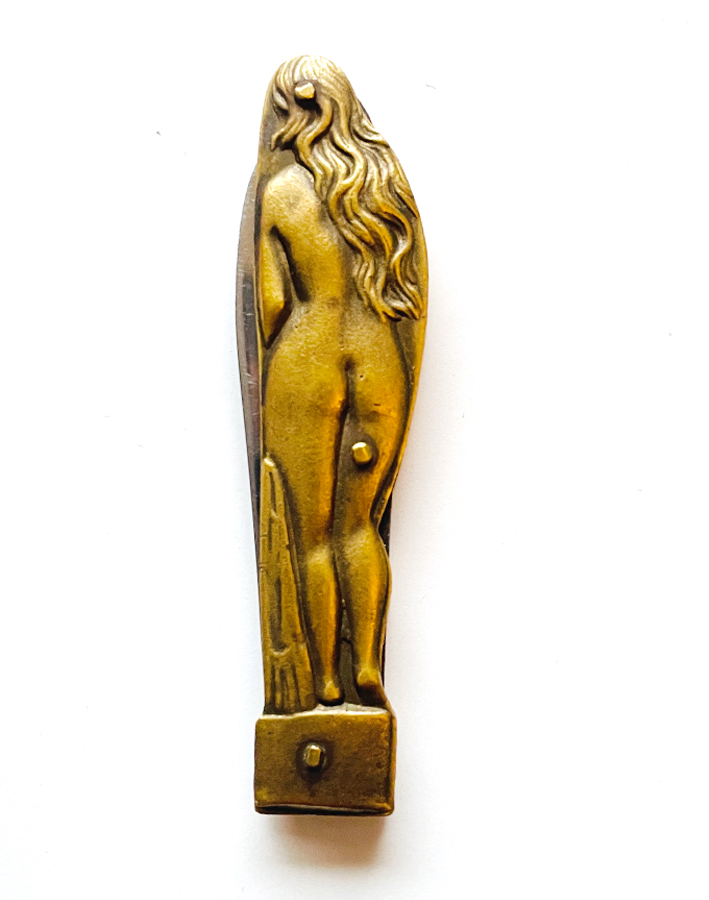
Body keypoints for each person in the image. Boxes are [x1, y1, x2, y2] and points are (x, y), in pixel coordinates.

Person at [254, 56, 427, 708]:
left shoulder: (280, 192)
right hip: (378, 357)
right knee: (362, 526)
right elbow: (412, 294)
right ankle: (368, 667)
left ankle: (325, 679)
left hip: (309, 355)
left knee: (314, 534)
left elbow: (272, 305)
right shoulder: (381, 183)